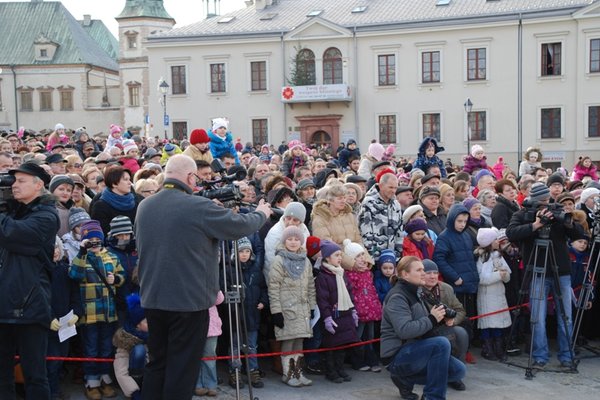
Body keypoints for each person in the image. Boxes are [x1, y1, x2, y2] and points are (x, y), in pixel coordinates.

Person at [135, 154, 271, 400]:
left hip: (153, 298)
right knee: (182, 369)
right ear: (189, 177)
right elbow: (239, 226)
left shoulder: (145, 205)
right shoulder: (197, 206)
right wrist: (261, 212)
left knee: (157, 363)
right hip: (188, 302)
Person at [506, 182, 581, 369]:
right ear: (533, 201)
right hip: (537, 270)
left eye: (548, 200)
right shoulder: (522, 214)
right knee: (537, 317)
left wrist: (567, 222)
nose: (546, 205)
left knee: (566, 317)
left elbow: (579, 235)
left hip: (560, 270)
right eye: (542, 202)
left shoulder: (558, 211)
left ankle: (566, 356)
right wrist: (536, 224)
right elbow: (511, 233)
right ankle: (540, 356)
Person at [0, 162, 58, 399]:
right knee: (2, 376)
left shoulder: (47, 215)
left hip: (30, 306)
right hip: (3, 304)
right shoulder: (13, 211)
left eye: (21, 181)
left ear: (39, 185)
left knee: (35, 374)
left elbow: (12, 234)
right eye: (13, 181)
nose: (14, 186)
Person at [381, 256, 466, 400]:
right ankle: (432, 397)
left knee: (458, 371)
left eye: (423, 269)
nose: (423, 273)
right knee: (441, 344)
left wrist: (440, 319)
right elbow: (404, 330)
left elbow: (423, 324)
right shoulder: (398, 296)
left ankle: (405, 379)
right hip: (397, 354)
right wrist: (432, 319)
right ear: (405, 274)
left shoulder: (417, 292)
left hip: (416, 348)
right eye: (419, 270)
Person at [69, 220, 125, 399]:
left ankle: (105, 380)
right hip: (89, 314)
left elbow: (122, 275)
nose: (94, 242)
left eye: (97, 239)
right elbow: (74, 275)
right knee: (91, 348)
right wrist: (82, 251)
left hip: (108, 312)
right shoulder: (81, 258)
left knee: (107, 348)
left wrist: (115, 279)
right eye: (90, 239)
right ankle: (91, 382)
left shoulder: (111, 256)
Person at [268, 226, 316, 387]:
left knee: (299, 342)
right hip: (286, 308)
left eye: (296, 239)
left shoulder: (306, 260)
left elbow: (310, 285)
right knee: (288, 341)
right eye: (290, 239)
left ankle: (298, 371)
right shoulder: (279, 260)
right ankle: (288, 374)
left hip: (302, 309)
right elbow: (273, 287)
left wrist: (312, 306)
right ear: (284, 241)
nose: (293, 242)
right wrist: (276, 311)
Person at [316, 240, 359, 383]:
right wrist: (327, 318)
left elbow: (349, 292)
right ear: (327, 257)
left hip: (345, 313)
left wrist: (353, 310)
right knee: (331, 346)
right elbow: (322, 299)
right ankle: (331, 371)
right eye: (336, 255)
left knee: (342, 344)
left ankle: (340, 368)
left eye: (340, 255)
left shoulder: (341, 273)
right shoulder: (323, 276)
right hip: (333, 315)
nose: (340, 258)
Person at [474, 228, 512, 361]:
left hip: (499, 294)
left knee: (498, 323)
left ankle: (499, 348)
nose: (498, 241)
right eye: (495, 239)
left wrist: (504, 274)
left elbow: (508, 276)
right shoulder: (483, 258)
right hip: (487, 296)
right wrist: (498, 275)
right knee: (488, 323)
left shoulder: (498, 255)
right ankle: (488, 348)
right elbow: (483, 279)